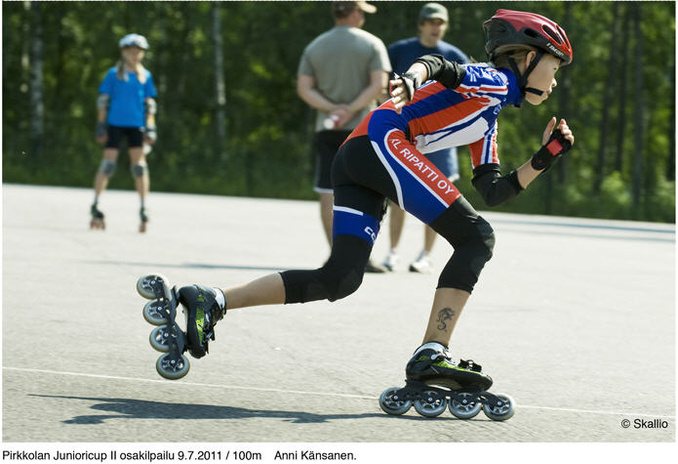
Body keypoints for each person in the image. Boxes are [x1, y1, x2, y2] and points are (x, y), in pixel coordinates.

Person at [156, 10, 575, 391]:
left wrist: (545, 157)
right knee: (477, 238)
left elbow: (493, 190)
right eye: (554, 67)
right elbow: (440, 66)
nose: (555, 81)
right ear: (527, 58)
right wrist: (412, 77)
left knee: (341, 278)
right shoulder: (496, 81)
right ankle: (433, 351)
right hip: (384, 141)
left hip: (358, 153)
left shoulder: (488, 117)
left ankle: (213, 299)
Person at [297, 1, 391, 272]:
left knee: (328, 190)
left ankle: (336, 256)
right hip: (364, 128)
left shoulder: (315, 46)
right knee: (368, 190)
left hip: (328, 127)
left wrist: (333, 109)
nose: (362, 17)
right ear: (354, 12)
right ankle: (362, 255)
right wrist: (351, 109)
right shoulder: (372, 44)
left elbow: (304, 88)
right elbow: (379, 85)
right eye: (361, 12)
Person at [383, 2, 470, 273]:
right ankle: (393, 252)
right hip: (404, 132)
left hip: (440, 136)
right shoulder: (399, 51)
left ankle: (425, 255)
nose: (436, 27)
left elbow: (468, 95)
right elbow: (382, 85)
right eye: (431, 22)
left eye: (440, 23)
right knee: (398, 195)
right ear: (421, 24)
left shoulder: (455, 56)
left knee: (436, 198)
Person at [90, 33, 158, 233]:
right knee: (108, 165)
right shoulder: (114, 74)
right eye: (131, 52)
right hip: (115, 124)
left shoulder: (145, 76)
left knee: (139, 167)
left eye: (138, 52)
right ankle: (96, 203)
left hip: (137, 126)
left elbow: (150, 105)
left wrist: (151, 127)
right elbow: (103, 101)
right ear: (123, 53)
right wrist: (101, 125)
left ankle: (144, 206)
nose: (134, 55)